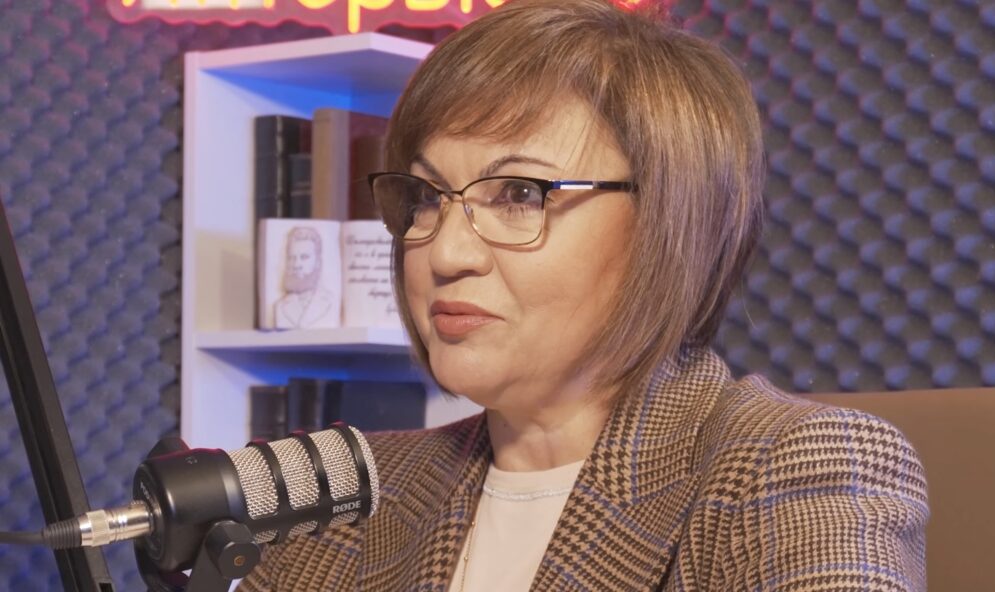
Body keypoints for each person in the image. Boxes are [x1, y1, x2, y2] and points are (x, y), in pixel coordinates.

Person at [240, 0, 928, 589]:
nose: (445, 254)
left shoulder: (796, 468)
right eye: (426, 197)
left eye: (519, 194)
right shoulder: (344, 496)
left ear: (665, 223)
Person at [274, 226, 337, 329]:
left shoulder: (331, 302)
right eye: (292, 258)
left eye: (304, 257)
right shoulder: (280, 307)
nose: (296, 265)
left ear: (317, 261)